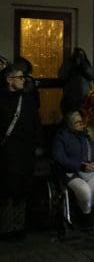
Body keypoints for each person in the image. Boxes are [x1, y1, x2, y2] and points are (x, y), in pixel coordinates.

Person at [0, 63, 42, 241]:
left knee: (23, 187)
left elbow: (36, 122)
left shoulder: (28, 99)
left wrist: (38, 144)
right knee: (8, 189)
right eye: (19, 77)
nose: (23, 80)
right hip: (7, 152)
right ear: (9, 80)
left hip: (26, 151)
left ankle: (19, 226)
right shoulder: (1, 100)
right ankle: (6, 228)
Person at [51, 110, 94, 229]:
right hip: (72, 171)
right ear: (70, 124)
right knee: (84, 191)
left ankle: (84, 208)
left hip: (93, 170)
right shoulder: (62, 137)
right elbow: (59, 157)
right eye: (77, 122)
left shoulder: (91, 134)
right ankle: (86, 215)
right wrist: (80, 165)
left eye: (83, 121)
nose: (81, 124)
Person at [58, 47, 94, 113]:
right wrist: (71, 63)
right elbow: (61, 75)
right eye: (76, 55)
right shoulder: (69, 64)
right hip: (71, 102)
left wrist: (83, 64)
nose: (78, 57)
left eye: (81, 55)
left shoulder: (86, 65)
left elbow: (93, 75)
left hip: (85, 101)